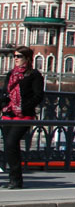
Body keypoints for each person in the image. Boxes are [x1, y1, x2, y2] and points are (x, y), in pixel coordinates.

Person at [2, 46, 45, 190]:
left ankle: (16, 180)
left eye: (19, 56)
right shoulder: (11, 74)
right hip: (8, 114)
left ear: (27, 58)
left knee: (10, 143)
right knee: (9, 147)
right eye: (15, 56)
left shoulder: (34, 75)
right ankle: (13, 179)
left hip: (24, 115)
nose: (16, 59)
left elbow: (38, 95)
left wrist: (23, 106)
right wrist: (4, 105)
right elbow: (4, 92)